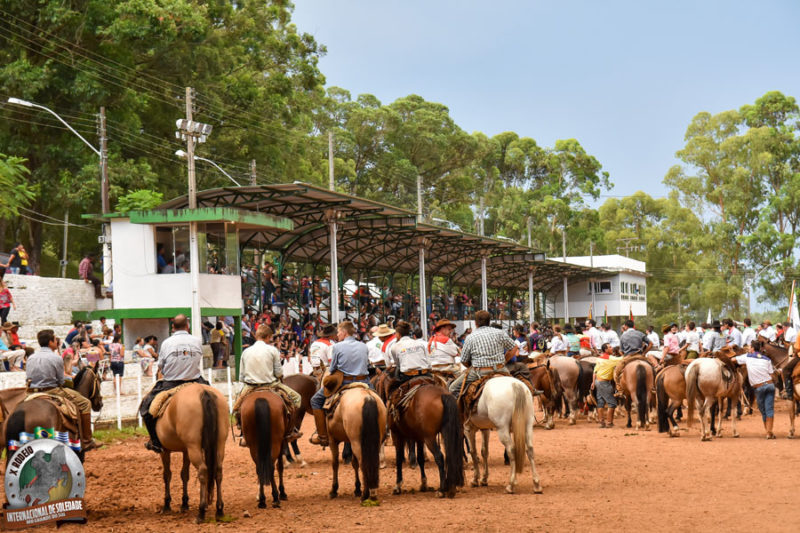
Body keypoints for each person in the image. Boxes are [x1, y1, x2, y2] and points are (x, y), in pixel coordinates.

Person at [139, 314, 207, 453]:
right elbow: (199, 359)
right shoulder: (197, 340)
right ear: (187, 326)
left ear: (173, 327)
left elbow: (161, 366)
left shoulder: (167, 342)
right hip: (195, 381)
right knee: (213, 401)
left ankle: (156, 442)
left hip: (172, 383)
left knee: (146, 408)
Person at [26, 329, 99, 451]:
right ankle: (87, 440)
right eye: (55, 340)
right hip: (51, 391)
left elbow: (28, 377)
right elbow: (60, 381)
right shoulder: (56, 358)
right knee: (85, 403)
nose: (57, 342)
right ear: (50, 342)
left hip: (31, 392)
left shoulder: (31, 358)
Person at [233, 325, 302, 445]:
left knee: (236, 407)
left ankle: (243, 432)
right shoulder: (272, 350)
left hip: (250, 386)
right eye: (271, 338)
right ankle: (291, 430)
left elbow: (241, 376)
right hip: (271, 385)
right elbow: (279, 372)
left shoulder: (246, 352)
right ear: (268, 337)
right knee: (297, 398)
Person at [309, 321, 371, 447]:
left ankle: (322, 436)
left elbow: (332, 368)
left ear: (344, 332)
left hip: (344, 381)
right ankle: (385, 429)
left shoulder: (334, 346)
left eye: (338, 332)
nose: (337, 335)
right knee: (379, 398)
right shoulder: (364, 346)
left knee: (315, 400)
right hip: (363, 380)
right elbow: (367, 364)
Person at [448, 310, 518, 399]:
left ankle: (460, 412)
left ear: (475, 323)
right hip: (501, 369)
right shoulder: (500, 333)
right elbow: (514, 347)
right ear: (489, 321)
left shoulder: (470, 337)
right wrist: (504, 361)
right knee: (518, 386)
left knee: (453, 388)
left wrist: (471, 366)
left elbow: (464, 360)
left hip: (479, 372)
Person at [734, 340, 777, 439]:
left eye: (750, 347)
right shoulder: (767, 359)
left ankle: (768, 432)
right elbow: (771, 374)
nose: (749, 349)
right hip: (770, 385)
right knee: (769, 409)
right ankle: (769, 432)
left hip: (759, 387)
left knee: (763, 410)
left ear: (752, 349)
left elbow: (733, 360)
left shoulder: (748, 356)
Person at [388, 320, 431, 391]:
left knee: (394, 391)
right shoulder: (420, 344)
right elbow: (428, 360)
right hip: (424, 373)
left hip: (408, 376)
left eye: (395, 333)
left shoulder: (394, 347)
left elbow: (398, 364)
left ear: (398, 334)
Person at [592, 343, 622, 428]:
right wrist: (623, 353)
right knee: (612, 403)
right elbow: (623, 359)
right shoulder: (611, 358)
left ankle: (601, 422)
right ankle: (609, 423)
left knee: (600, 402)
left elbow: (595, 371)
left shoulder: (598, 359)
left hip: (598, 381)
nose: (611, 348)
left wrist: (593, 382)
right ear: (606, 350)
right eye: (609, 347)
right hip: (604, 383)